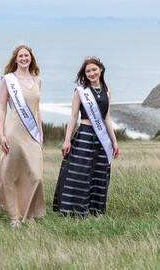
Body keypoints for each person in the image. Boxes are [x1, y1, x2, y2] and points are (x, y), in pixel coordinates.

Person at [0, 44, 45, 226]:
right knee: (11, 173)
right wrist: (1, 133)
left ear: (31, 58)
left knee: (36, 175)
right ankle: (14, 217)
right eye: (21, 56)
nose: (24, 58)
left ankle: (29, 214)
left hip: (32, 133)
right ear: (15, 59)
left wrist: (41, 131)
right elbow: (1, 108)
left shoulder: (37, 80)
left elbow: (37, 110)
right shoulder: (8, 80)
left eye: (27, 55)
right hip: (13, 130)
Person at [53, 56, 119, 216]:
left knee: (98, 173)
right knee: (79, 173)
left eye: (94, 69)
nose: (91, 73)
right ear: (85, 73)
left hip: (101, 139)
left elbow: (107, 119)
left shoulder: (107, 92)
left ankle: (94, 210)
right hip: (84, 135)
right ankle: (73, 210)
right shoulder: (80, 92)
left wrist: (114, 142)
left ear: (101, 70)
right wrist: (67, 140)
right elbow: (73, 116)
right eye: (88, 71)